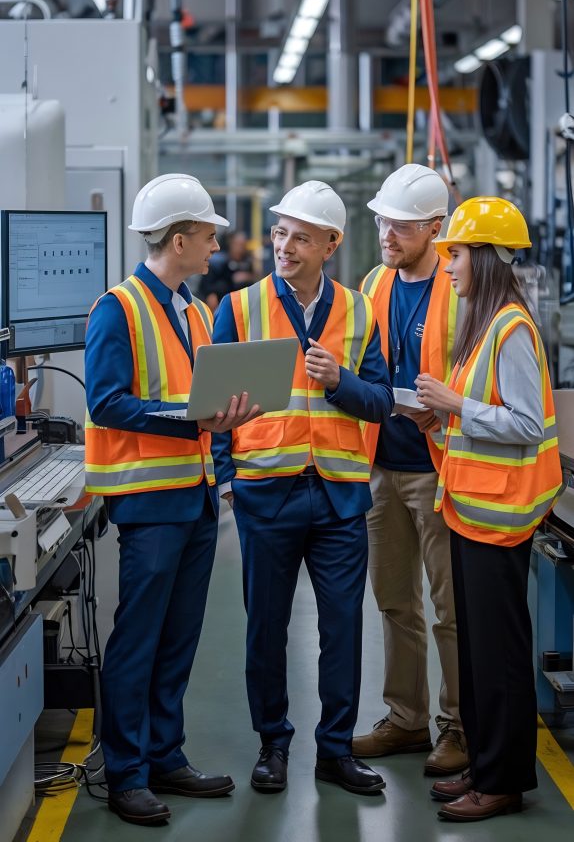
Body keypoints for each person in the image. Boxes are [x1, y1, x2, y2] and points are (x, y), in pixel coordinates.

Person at [84, 173, 258, 826]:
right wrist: (191, 419)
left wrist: (221, 429)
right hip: (149, 504)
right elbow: (107, 401)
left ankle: (165, 755)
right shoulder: (118, 308)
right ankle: (126, 772)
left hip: (196, 499)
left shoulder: (188, 309)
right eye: (208, 234)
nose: (216, 245)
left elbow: (200, 400)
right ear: (179, 238)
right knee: (139, 640)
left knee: (179, 638)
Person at [211, 180, 394, 796]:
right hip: (267, 493)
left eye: (301, 238)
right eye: (281, 232)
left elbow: (379, 403)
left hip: (340, 496)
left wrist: (341, 381)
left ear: (331, 245)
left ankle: (335, 751)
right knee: (265, 627)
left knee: (342, 628)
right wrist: (230, 478)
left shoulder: (360, 311)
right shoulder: (238, 309)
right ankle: (273, 744)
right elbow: (212, 407)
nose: (284, 246)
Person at [412, 197, 562, 822]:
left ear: (487, 258)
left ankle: (502, 781)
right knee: (477, 652)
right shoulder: (486, 323)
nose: (448, 266)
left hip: (501, 521)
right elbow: (483, 418)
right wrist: (439, 411)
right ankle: (484, 764)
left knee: (498, 656)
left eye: (456, 253)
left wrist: (452, 403)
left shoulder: (511, 329)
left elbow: (524, 423)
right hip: (473, 513)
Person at [352, 164, 468, 777]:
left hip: (440, 467)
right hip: (382, 465)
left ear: (434, 227)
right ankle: (406, 718)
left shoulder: (459, 286)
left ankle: (459, 726)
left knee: (452, 609)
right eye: (381, 221)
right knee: (395, 601)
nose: (386, 233)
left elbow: (481, 377)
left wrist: (444, 411)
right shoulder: (374, 282)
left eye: (398, 224)